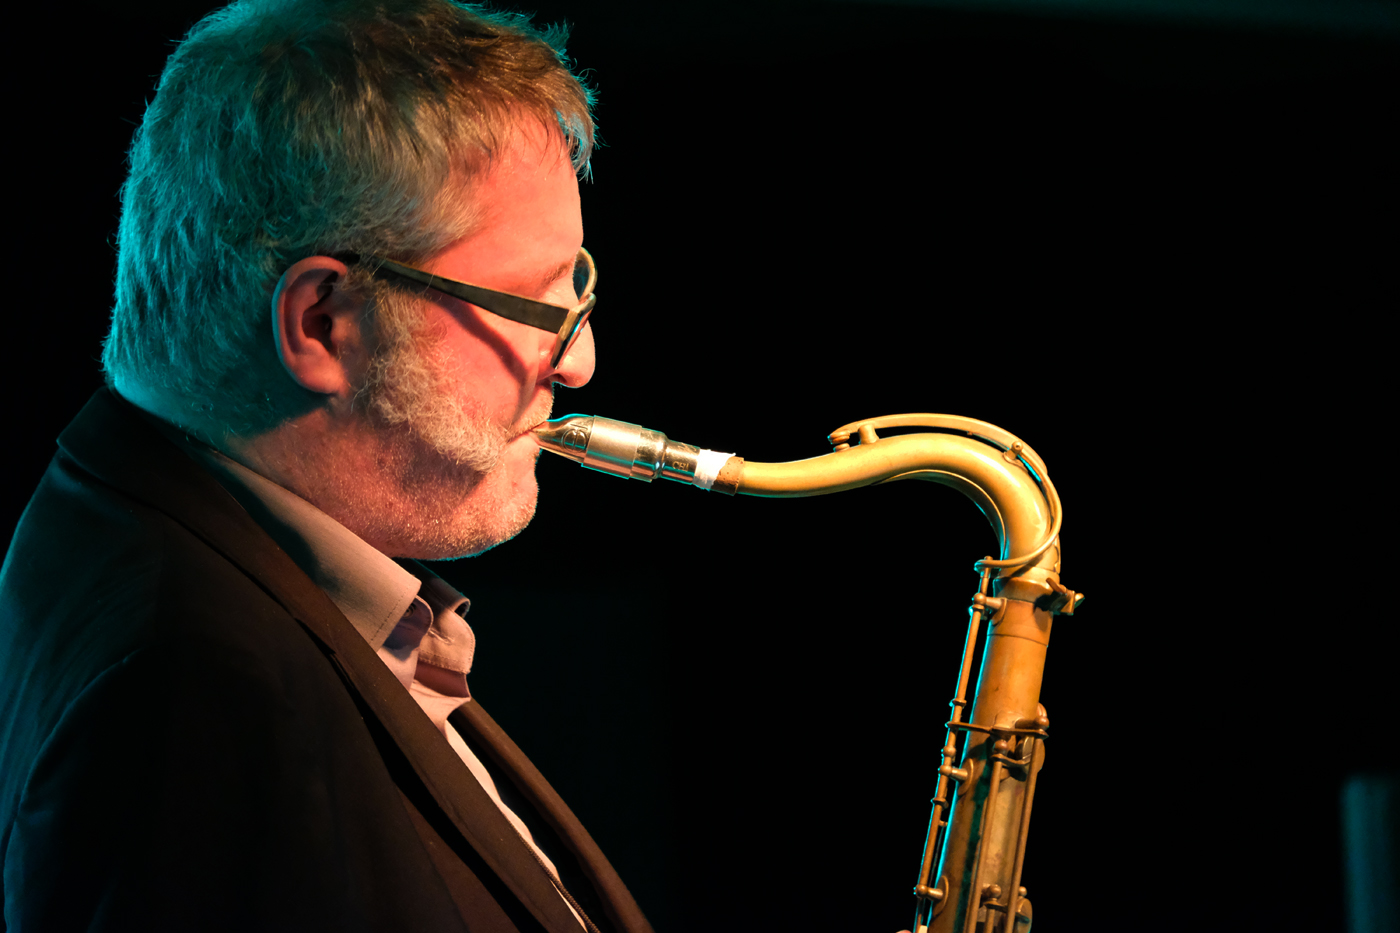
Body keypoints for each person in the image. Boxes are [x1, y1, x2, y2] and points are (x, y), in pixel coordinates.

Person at [0, 1, 649, 930]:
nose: (578, 361)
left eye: (575, 285)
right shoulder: (195, 701)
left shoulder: (138, 539)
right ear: (322, 323)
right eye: (537, 306)